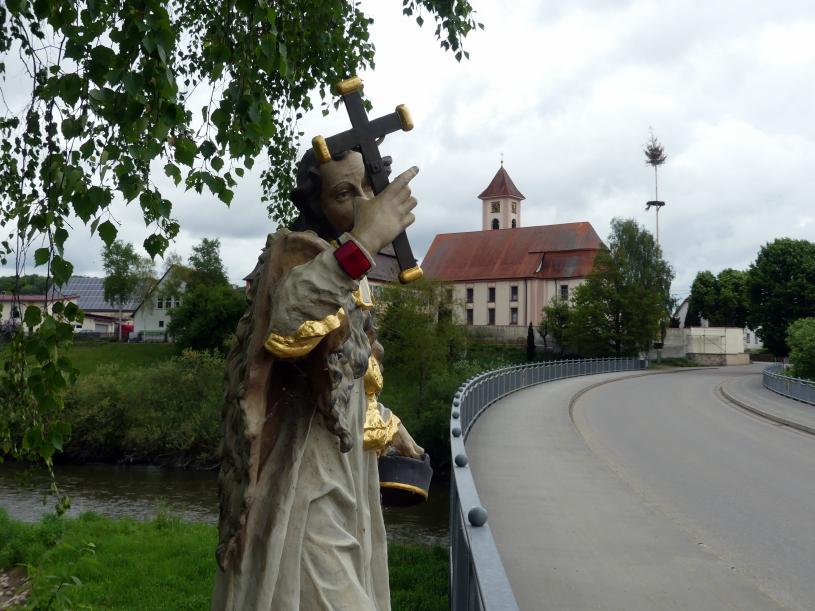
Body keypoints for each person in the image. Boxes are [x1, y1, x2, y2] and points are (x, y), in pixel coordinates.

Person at [212, 149, 424, 610]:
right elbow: (288, 325)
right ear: (315, 205)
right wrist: (364, 240)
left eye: (368, 188)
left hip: (349, 475)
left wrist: (389, 427)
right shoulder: (302, 260)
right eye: (344, 193)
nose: (365, 204)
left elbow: (344, 375)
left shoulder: (353, 276)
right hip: (304, 484)